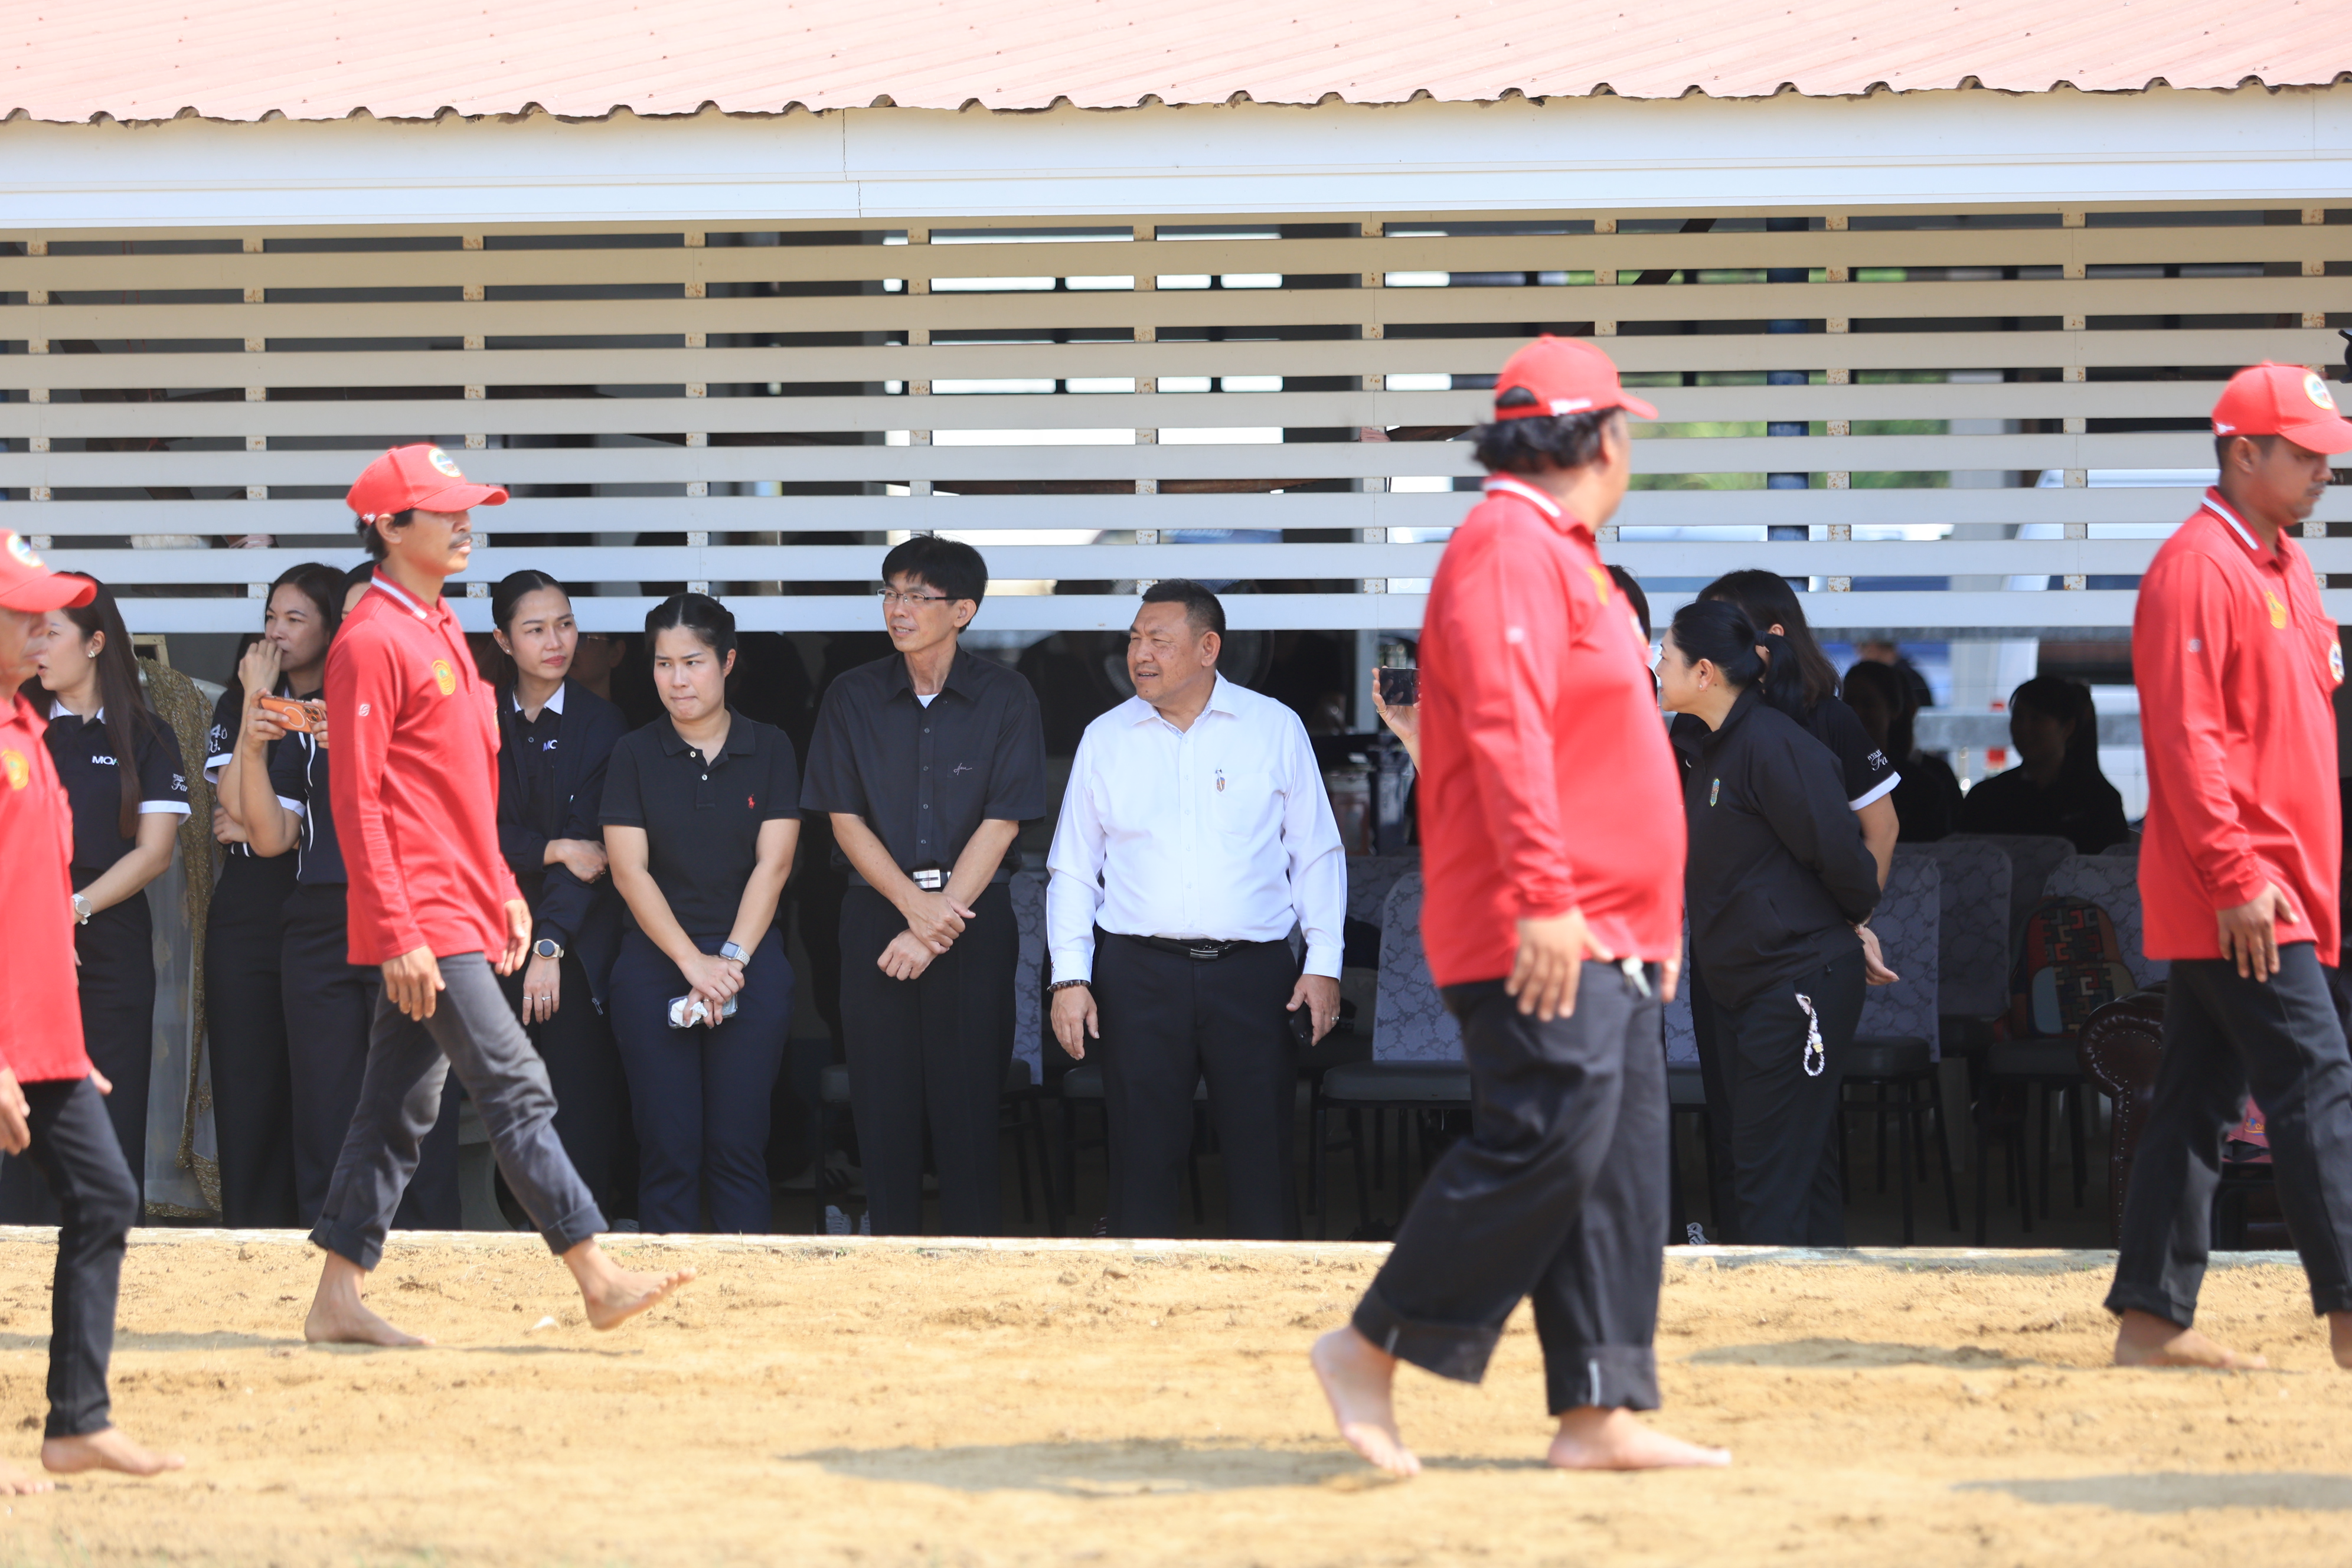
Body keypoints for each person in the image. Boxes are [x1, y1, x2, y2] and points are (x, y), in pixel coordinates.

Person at [1311, 336, 1725, 1478]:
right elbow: (1500, 733)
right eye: (1623, 430)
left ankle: (1597, 1407)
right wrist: (1548, 897)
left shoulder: (1565, 553)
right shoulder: (1504, 545)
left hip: (1615, 926)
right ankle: (1369, 1343)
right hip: (1541, 919)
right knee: (1550, 1135)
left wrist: (1653, 919)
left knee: (1620, 1159)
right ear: (1593, 439)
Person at [302, 443, 691, 1345]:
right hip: (420, 913)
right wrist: (399, 929)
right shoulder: (371, 641)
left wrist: (504, 896)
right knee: (514, 1080)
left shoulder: (439, 629)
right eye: (446, 510)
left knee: (396, 1107)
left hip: (455, 903)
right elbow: (357, 802)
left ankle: (335, 1298)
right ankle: (594, 1271)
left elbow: (461, 788)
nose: (466, 521)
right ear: (392, 529)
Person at [2104, 363, 2352, 1372]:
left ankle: (2151, 1319)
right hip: (2241, 892)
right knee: (2315, 1077)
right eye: (2301, 455)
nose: (2319, 474)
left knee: (2196, 1100)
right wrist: (2234, 875)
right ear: (2241, 453)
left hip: (2274, 884)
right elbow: (2184, 740)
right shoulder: (2194, 568)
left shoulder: (2282, 563)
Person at [1046, 580, 1345, 1239]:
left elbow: (1317, 855)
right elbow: (1072, 868)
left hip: (1253, 974)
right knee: (1140, 1157)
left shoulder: (1273, 727)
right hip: (1139, 973)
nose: (1140, 654)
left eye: (1160, 640)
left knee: (1262, 1154)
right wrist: (1071, 978)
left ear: (1209, 647)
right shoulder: (1106, 737)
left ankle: (1270, 1314)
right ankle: (1138, 1311)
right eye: (1134, 639)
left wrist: (1323, 963)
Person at [0, 534, 184, 1488]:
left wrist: (58, 1041)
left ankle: (76, 1420)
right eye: (25, 611)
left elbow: (35, 894)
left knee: (106, 1197)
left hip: (52, 1028)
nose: (40, 629)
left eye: (50, 615)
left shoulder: (29, 731)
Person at [801, 537, 1047, 1236]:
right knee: (882, 1106)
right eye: (890, 593)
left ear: (963, 610)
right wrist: (914, 912)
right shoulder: (852, 694)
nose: (898, 609)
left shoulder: (1007, 695)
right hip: (877, 919)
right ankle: (891, 1257)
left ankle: (972, 1269)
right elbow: (842, 819)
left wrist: (934, 925)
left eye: (917, 596)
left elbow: (1003, 821)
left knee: (968, 1107)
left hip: (974, 921)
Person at [232, 563, 463, 1230]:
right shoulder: (315, 715)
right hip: (320, 920)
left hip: (410, 918)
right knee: (327, 1109)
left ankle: (430, 1265)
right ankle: (331, 1263)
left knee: (414, 1109)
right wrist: (251, 744)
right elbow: (272, 838)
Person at [1677, 568, 1896, 1242]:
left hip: (1791, 967)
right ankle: (1776, 1281)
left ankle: (1780, 1297)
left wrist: (1851, 926)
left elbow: (1865, 837)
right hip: (1730, 963)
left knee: (1783, 1149)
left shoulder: (1809, 724)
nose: (1665, 661)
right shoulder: (1698, 730)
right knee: (1746, 1137)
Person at [602, 593, 800, 1233]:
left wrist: (731, 964)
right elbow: (629, 871)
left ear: (728, 661)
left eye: (693, 662)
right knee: (669, 1149)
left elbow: (774, 865)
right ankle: (665, 1307)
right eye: (663, 664)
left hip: (749, 963)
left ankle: (747, 1303)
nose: (677, 679)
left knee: (739, 1148)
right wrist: (693, 964)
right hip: (657, 964)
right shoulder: (633, 753)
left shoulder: (770, 747)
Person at [10, 574, 190, 1214]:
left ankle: (113, 1281)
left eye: (50, 631)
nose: (36, 644)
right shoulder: (19, 727)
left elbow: (154, 851)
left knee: (108, 1119)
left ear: (94, 643)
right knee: (22, 1126)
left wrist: (73, 908)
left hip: (110, 945)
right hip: (21, 945)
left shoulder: (146, 733)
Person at [204, 562, 345, 1227]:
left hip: (323, 906)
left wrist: (257, 815)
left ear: (329, 626)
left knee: (321, 1083)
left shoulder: (348, 697)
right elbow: (231, 808)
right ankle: (251, 1232)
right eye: (270, 618)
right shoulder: (244, 696)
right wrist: (254, 706)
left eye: (296, 619)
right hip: (251, 912)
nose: (278, 633)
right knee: (249, 1079)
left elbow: (266, 829)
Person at [490, 570, 633, 1220]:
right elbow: (469, 830)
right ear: (502, 639)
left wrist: (548, 942)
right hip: (490, 936)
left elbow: (592, 849)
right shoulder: (479, 720)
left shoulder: (604, 725)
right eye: (536, 628)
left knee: (576, 1103)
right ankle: (517, 1243)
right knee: (506, 1105)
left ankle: (585, 1242)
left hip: (571, 944)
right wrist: (545, 848)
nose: (557, 641)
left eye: (566, 624)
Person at [1954, 676, 2132, 854]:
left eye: (2036, 719)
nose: (2024, 728)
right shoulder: (1986, 798)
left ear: (2067, 728)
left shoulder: (2098, 800)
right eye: (2018, 717)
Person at [1841, 658, 1961, 844]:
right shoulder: (1824, 775)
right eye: (1849, 703)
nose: (1856, 713)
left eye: (1868, 704)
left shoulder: (1925, 788)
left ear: (1894, 710)